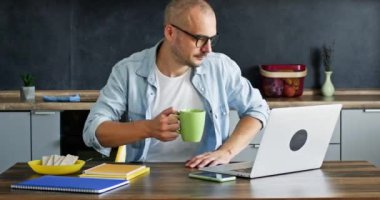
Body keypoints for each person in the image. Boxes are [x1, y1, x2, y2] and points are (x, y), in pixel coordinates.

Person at [83, 0, 269, 168]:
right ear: (170, 32)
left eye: (211, 39)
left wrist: (226, 152)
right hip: (144, 177)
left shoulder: (220, 67)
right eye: (199, 39)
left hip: (208, 174)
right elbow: (93, 131)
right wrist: (148, 128)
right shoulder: (128, 71)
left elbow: (257, 109)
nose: (208, 49)